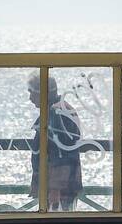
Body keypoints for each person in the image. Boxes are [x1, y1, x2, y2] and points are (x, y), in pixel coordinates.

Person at [27, 72, 85, 211]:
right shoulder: (58, 109)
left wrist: (55, 189)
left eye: (32, 92)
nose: (30, 98)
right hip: (61, 188)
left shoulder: (56, 113)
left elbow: (61, 154)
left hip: (58, 192)